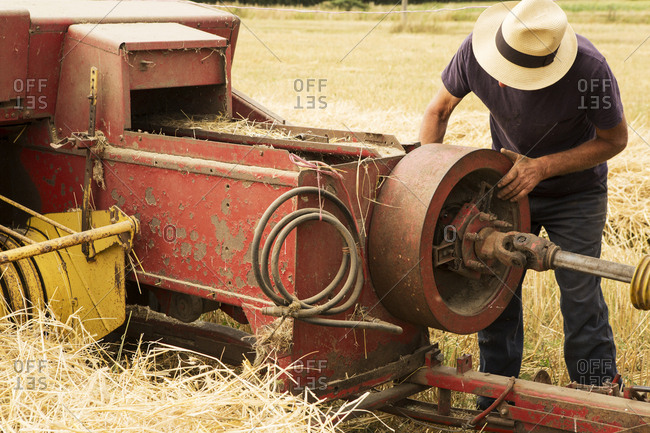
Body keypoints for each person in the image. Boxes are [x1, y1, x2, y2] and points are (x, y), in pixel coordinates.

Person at [418, 0, 627, 409]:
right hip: (508, 190)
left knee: (580, 293)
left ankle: (598, 394)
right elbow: (438, 110)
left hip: (576, 194)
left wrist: (543, 167)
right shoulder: (474, 54)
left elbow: (614, 140)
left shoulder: (589, 69)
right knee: (494, 288)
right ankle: (496, 395)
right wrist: (428, 182)